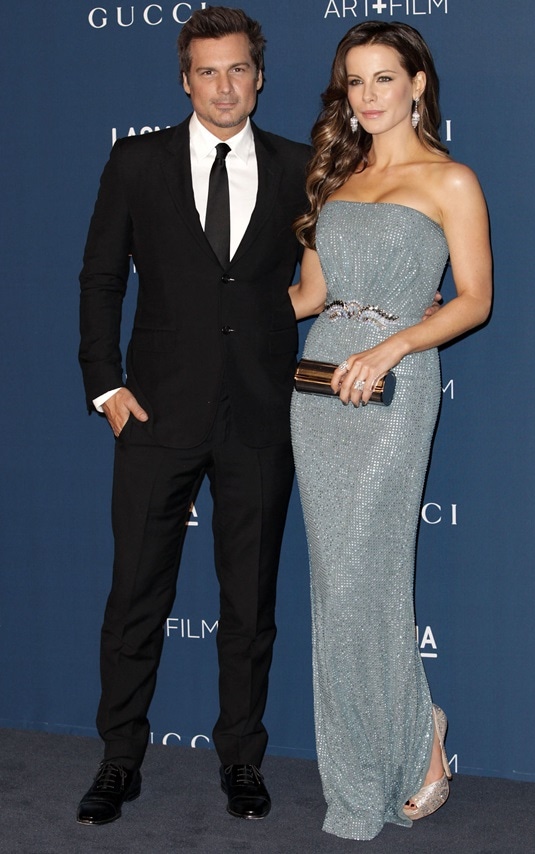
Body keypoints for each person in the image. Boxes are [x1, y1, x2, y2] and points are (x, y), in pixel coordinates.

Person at [76, 7, 311, 825]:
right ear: (185, 79)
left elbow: (324, 273)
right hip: (155, 415)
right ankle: (118, 759)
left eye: (238, 68)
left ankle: (241, 760)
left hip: (259, 415)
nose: (224, 85)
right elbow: (101, 276)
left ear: (259, 76)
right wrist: (106, 387)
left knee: (249, 605)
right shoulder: (137, 161)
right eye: (208, 71)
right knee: (136, 593)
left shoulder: (299, 166)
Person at [289, 21, 492, 841]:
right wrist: (209, 304)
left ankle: (421, 744)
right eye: (355, 83)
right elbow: (306, 296)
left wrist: (395, 345)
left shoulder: (451, 181)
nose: (368, 97)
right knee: (337, 590)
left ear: (417, 85)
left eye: (384, 79)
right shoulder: (336, 179)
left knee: (367, 580)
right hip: (317, 389)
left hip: (394, 386)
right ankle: (380, 765)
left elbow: (473, 298)